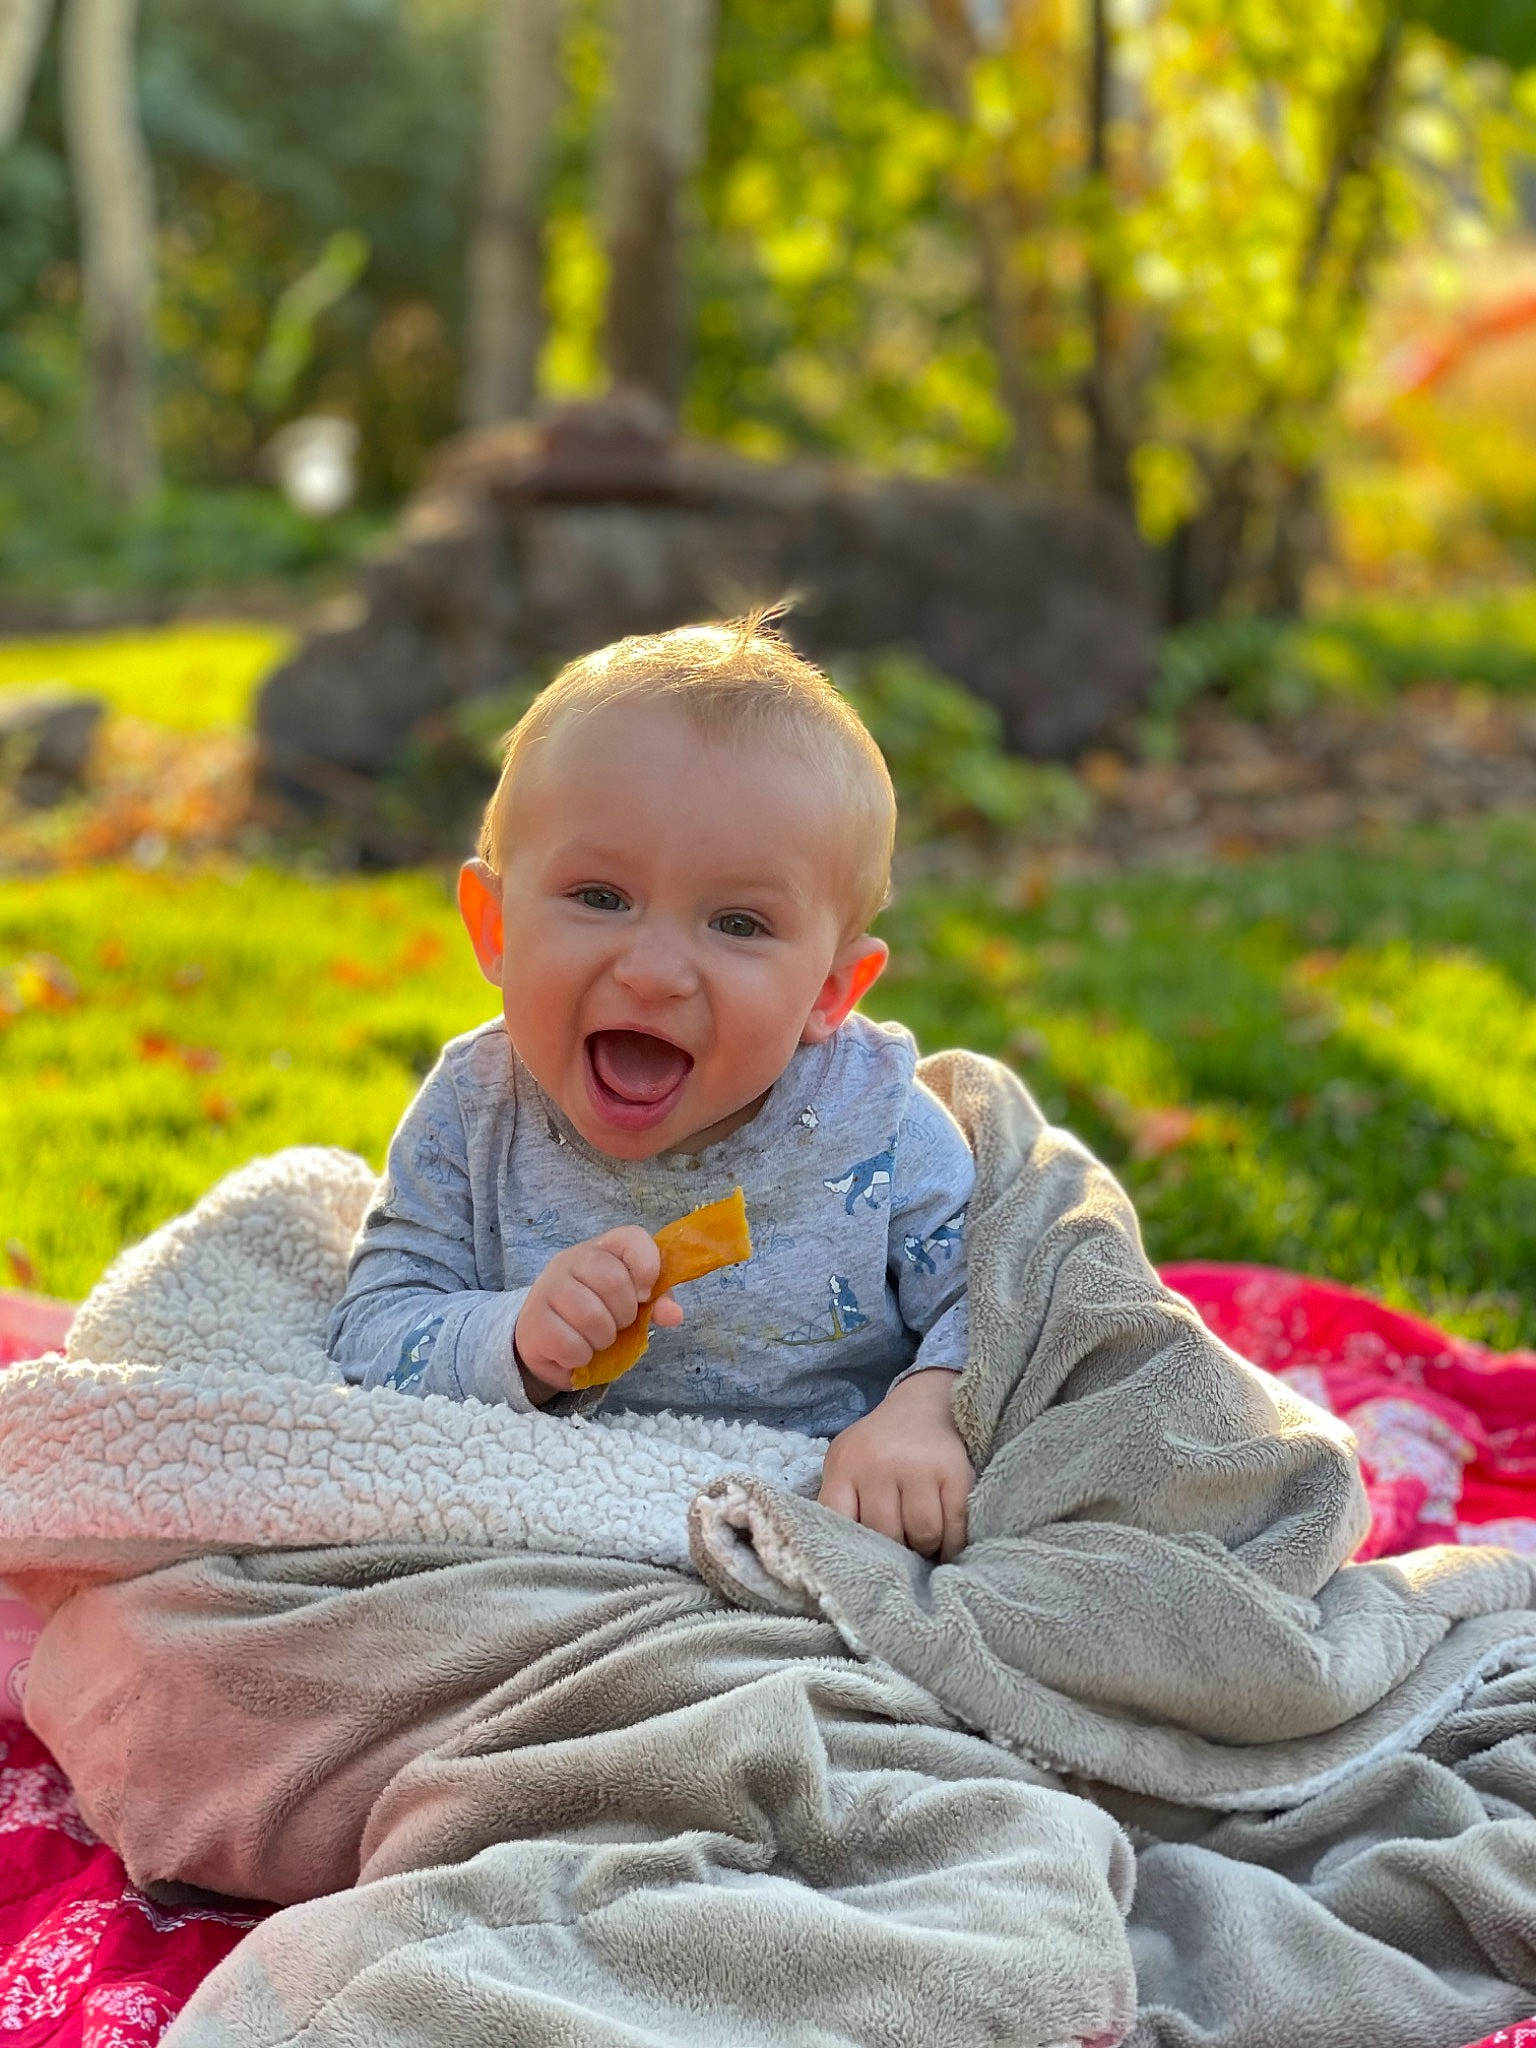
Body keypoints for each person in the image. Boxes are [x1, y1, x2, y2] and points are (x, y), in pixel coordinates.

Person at [327, 614, 977, 1563]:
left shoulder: (872, 1122)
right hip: (563, 1530)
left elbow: (994, 1303)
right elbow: (372, 1327)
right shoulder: (477, 1110)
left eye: (739, 923)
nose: (656, 971)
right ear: (495, 926)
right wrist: (514, 1338)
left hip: (812, 1517)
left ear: (831, 991)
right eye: (600, 898)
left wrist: (924, 1412)